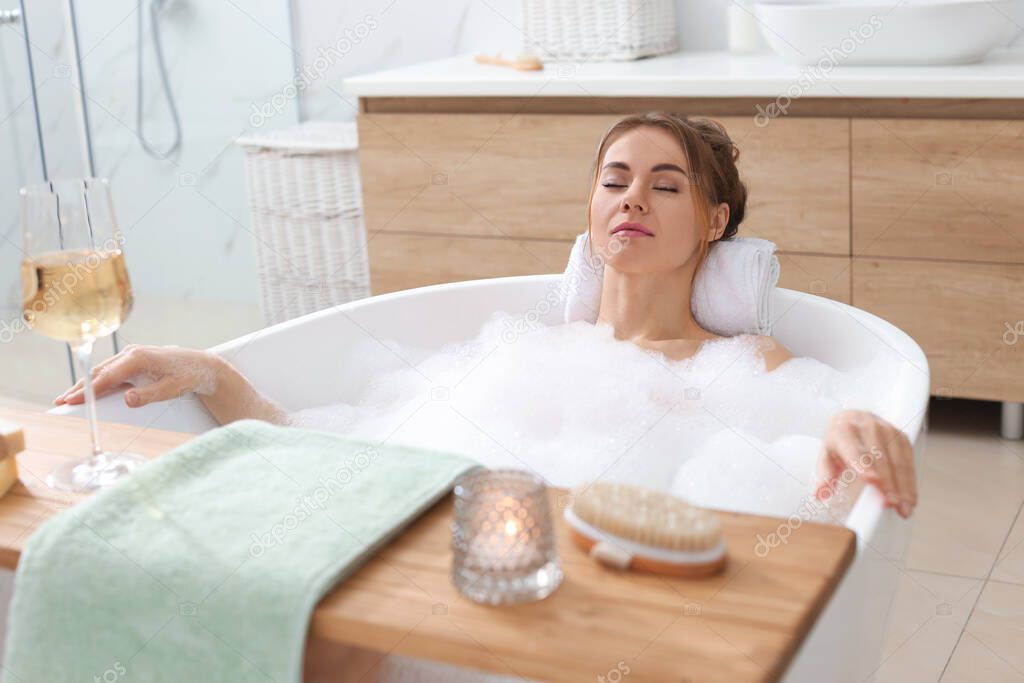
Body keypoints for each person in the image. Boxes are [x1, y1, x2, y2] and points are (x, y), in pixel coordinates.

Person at [54, 111, 917, 519]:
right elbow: (344, 443)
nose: (633, 200)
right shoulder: (524, 352)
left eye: (667, 184)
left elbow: (820, 424)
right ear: (590, 208)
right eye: (614, 180)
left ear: (716, 222)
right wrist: (214, 373)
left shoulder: (739, 360)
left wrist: (850, 424)